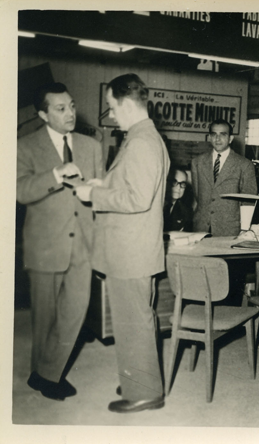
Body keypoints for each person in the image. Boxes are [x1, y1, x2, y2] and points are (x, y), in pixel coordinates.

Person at [74, 73, 169, 413]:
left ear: (127, 104)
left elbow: (138, 198)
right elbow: (132, 185)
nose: (111, 114)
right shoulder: (142, 137)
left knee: (133, 322)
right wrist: (106, 181)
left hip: (131, 251)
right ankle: (138, 378)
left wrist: (94, 193)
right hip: (134, 249)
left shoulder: (142, 141)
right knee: (135, 321)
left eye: (112, 107)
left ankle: (144, 391)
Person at [16, 82, 103, 401]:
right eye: (60, 108)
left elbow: (99, 190)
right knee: (44, 316)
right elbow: (20, 191)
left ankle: (48, 373)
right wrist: (54, 174)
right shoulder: (25, 146)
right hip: (45, 244)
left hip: (83, 242)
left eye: (72, 106)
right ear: (42, 114)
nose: (70, 113)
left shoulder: (91, 146)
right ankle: (39, 372)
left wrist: (98, 188)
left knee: (75, 312)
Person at [191, 119, 257, 236]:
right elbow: (197, 196)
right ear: (209, 138)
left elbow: (248, 200)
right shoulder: (197, 162)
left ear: (230, 139)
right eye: (214, 134)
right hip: (200, 228)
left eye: (223, 134)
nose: (218, 138)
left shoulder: (244, 165)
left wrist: (245, 229)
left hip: (230, 230)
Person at [163, 166, 193, 232]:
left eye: (182, 184)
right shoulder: (156, 206)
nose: (178, 187)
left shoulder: (185, 212)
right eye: (174, 182)